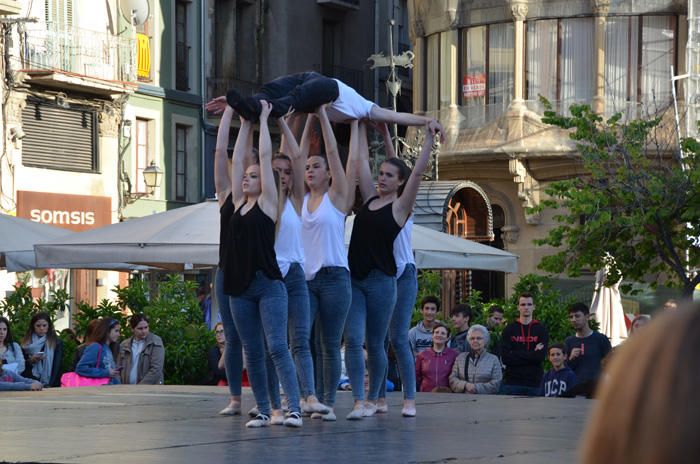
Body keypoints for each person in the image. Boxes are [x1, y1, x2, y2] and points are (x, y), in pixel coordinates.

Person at [344, 120, 435, 419]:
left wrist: (428, 141)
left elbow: (412, 174)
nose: (382, 178)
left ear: (400, 182)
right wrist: (382, 132)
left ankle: (409, 398)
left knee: (397, 338)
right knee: (374, 340)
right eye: (380, 173)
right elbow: (385, 167)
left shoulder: (402, 206)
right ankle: (376, 398)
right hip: (368, 275)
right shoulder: (373, 198)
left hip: (401, 274)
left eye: (388, 176)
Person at [224, 102, 302, 428]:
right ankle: (265, 410)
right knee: (251, 352)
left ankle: (294, 409)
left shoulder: (270, 204)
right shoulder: (239, 204)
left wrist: (266, 120)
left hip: (268, 284)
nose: (246, 178)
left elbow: (264, 158)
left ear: (266, 181)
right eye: (245, 176)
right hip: (238, 287)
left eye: (253, 176)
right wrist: (243, 123)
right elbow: (240, 159)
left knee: (277, 348)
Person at [265, 113, 329, 418]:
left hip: (296, 276)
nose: (282, 176)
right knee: (274, 345)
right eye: (276, 171)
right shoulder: (265, 203)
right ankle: (274, 404)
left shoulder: (296, 201)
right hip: (271, 278)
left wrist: (282, 124)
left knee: (300, 340)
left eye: (287, 172)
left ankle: (309, 396)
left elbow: (300, 155)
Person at [580, 304, 700, 464]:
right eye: (637, 326)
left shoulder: (658, 355)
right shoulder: (628, 355)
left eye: (643, 326)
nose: (640, 329)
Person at [300, 105, 356, 422]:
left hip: (335, 277)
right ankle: (311, 397)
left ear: (328, 173)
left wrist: (321, 115)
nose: (309, 170)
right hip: (306, 279)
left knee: (329, 344)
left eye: (316, 166)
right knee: (304, 340)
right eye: (307, 166)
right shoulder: (299, 200)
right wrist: (307, 120)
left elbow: (334, 152)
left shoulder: (337, 198)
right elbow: (294, 157)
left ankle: (328, 401)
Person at [206, 71, 445, 142]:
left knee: (272, 92)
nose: (374, 124)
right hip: (328, 88)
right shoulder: (366, 108)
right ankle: (251, 109)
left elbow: (300, 113)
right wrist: (426, 121)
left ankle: (246, 106)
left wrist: (231, 103)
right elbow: (397, 117)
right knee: (290, 102)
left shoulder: (342, 119)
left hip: (311, 81)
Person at [211, 103, 244, 416]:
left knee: (258, 339)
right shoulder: (226, 196)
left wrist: (250, 118)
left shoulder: (263, 198)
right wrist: (231, 113)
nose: (236, 171)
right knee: (232, 339)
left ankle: (268, 400)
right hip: (225, 272)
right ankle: (235, 398)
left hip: (254, 275)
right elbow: (220, 151)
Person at [499, 293, 549, 396]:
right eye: (523, 304)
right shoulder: (509, 329)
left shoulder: (541, 330)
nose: (526, 307)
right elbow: (505, 358)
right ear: (518, 307)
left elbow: (539, 357)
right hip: (511, 383)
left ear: (534, 307)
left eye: (529, 304)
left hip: (535, 383)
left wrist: (515, 353)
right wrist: (532, 353)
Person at [564, 302, 611, 397]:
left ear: (587, 316)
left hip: (596, 391)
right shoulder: (569, 341)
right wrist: (570, 358)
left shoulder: (601, 339)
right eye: (571, 317)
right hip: (575, 390)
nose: (573, 320)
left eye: (577, 316)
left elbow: (610, 363)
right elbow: (564, 369)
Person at [449, 324, 502, 394]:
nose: (475, 341)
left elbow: (496, 384)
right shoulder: (460, 358)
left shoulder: (493, 359)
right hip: (463, 400)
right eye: (472, 338)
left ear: (485, 340)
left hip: (486, 401)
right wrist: (466, 385)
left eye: (479, 338)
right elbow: (452, 379)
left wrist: (476, 388)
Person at [119, 314, 164, 385]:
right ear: (132, 329)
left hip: (148, 389)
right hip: (126, 389)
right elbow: (118, 368)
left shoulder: (155, 341)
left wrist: (140, 387)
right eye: (140, 328)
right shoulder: (124, 344)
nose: (144, 331)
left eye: (146, 327)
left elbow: (156, 369)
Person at [21, 312, 63, 387]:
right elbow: (21, 365)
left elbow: (57, 365)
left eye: (44, 325)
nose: (41, 328)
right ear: (33, 326)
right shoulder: (27, 342)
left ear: (49, 326)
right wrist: (31, 360)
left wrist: (51, 384)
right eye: (38, 325)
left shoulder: (56, 341)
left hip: (50, 383)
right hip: (31, 382)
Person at [75, 318, 121, 385]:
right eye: (116, 331)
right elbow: (81, 368)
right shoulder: (95, 347)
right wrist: (106, 372)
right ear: (107, 331)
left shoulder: (109, 348)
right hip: (99, 390)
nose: (119, 334)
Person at [415, 324, 459, 393]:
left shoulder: (454, 355)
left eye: (443, 333)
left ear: (448, 338)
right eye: (436, 332)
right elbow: (417, 377)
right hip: (425, 395)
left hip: (448, 396)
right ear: (432, 336)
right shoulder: (422, 355)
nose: (439, 335)